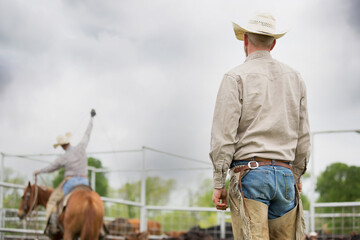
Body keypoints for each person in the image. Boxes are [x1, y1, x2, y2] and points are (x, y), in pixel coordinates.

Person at [209, 12, 310, 239]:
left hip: (250, 175)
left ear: (245, 40)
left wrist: (218, 181)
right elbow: (303, 135)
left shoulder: (234, 77)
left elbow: (223, 135)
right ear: (273, 43)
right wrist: (296, 176)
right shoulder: (295, 78)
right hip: (285, 176)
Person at [34, 109, 96, 236]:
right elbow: (87, 134)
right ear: (69, 141)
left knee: (52, 200)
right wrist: (91, 119)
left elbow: (51, 167)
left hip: (70, 183)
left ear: (62, 146)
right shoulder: (81, 147)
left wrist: (38, 171)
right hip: (85, 182)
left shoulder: (63, 157)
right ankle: (101, 230)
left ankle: (52, 226)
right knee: (93, 201)